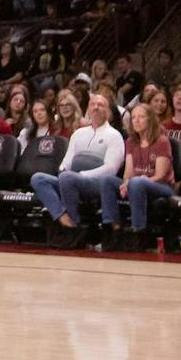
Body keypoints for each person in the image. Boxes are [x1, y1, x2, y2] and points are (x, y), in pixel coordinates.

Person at [30, 95, 125, 249]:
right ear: (87, 109)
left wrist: (80, 175)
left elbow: (111, 168)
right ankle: (69, 224)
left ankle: (71, 231)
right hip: (71, 179)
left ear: (107, 111)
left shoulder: (114, 135)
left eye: (100, 105)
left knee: (67, 178)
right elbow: (66, 163)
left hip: (97, 183)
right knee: (38, 178)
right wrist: (63, 174)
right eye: (92, 104)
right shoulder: (79, 134)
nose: (95, 107)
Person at [100, 100, 174, 251]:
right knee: (107, 181)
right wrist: (126, 182)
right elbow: (128, 172)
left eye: (141, 117)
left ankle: (138, 232)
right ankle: (114, 228)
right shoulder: (131, 142)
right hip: (136, 185)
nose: (136, 121)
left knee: (137, 183)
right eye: (133, 117)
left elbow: (160, 175)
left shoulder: (161, 141)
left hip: (161, 187)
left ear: (150, 119)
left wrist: (133, 182)